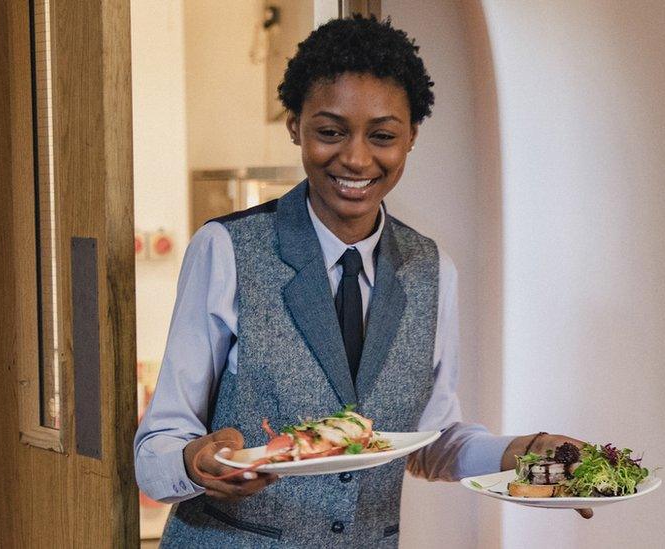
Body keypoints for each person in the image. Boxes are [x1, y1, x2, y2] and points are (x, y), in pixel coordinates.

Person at [134, 15, 588, 548]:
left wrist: (531, 452)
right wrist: (196, 460)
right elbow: (156, 448)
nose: (355, 158)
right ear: (294, 126)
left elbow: (431, 443)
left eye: (383, 136)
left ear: (411, 137)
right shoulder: (227, 249)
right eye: (330, 131)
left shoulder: (432, 269)